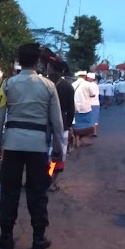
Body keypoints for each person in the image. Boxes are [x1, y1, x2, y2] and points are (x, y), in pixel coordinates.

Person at [0, 43, 64, 249]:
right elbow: (57, 122)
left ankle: (6, 237)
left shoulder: (6, 84)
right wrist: (59, 148)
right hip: (38, 146)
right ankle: (38, 239)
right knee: (37, 192)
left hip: (12, 145)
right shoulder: (49, 86)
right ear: (38, 61)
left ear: (19, 60)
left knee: (9, 192)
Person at [47, 58, 75, 192]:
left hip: (43, 123)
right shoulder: (67, 86)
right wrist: (69, 126)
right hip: (62, 124)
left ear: (50, 68)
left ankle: (38, 180)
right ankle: (50, 181)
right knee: (56, 155)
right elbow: (71, 109)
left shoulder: (43, 83)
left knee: (41, 154)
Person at [72, 70, 96, 147]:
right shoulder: (88, 84)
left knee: (77, 124)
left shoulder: (73, 84)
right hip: (86, 107)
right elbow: (92, 95)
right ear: (85, 76)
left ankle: (77, 139)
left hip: (76, 107)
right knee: (87, 124)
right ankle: (84, 139)